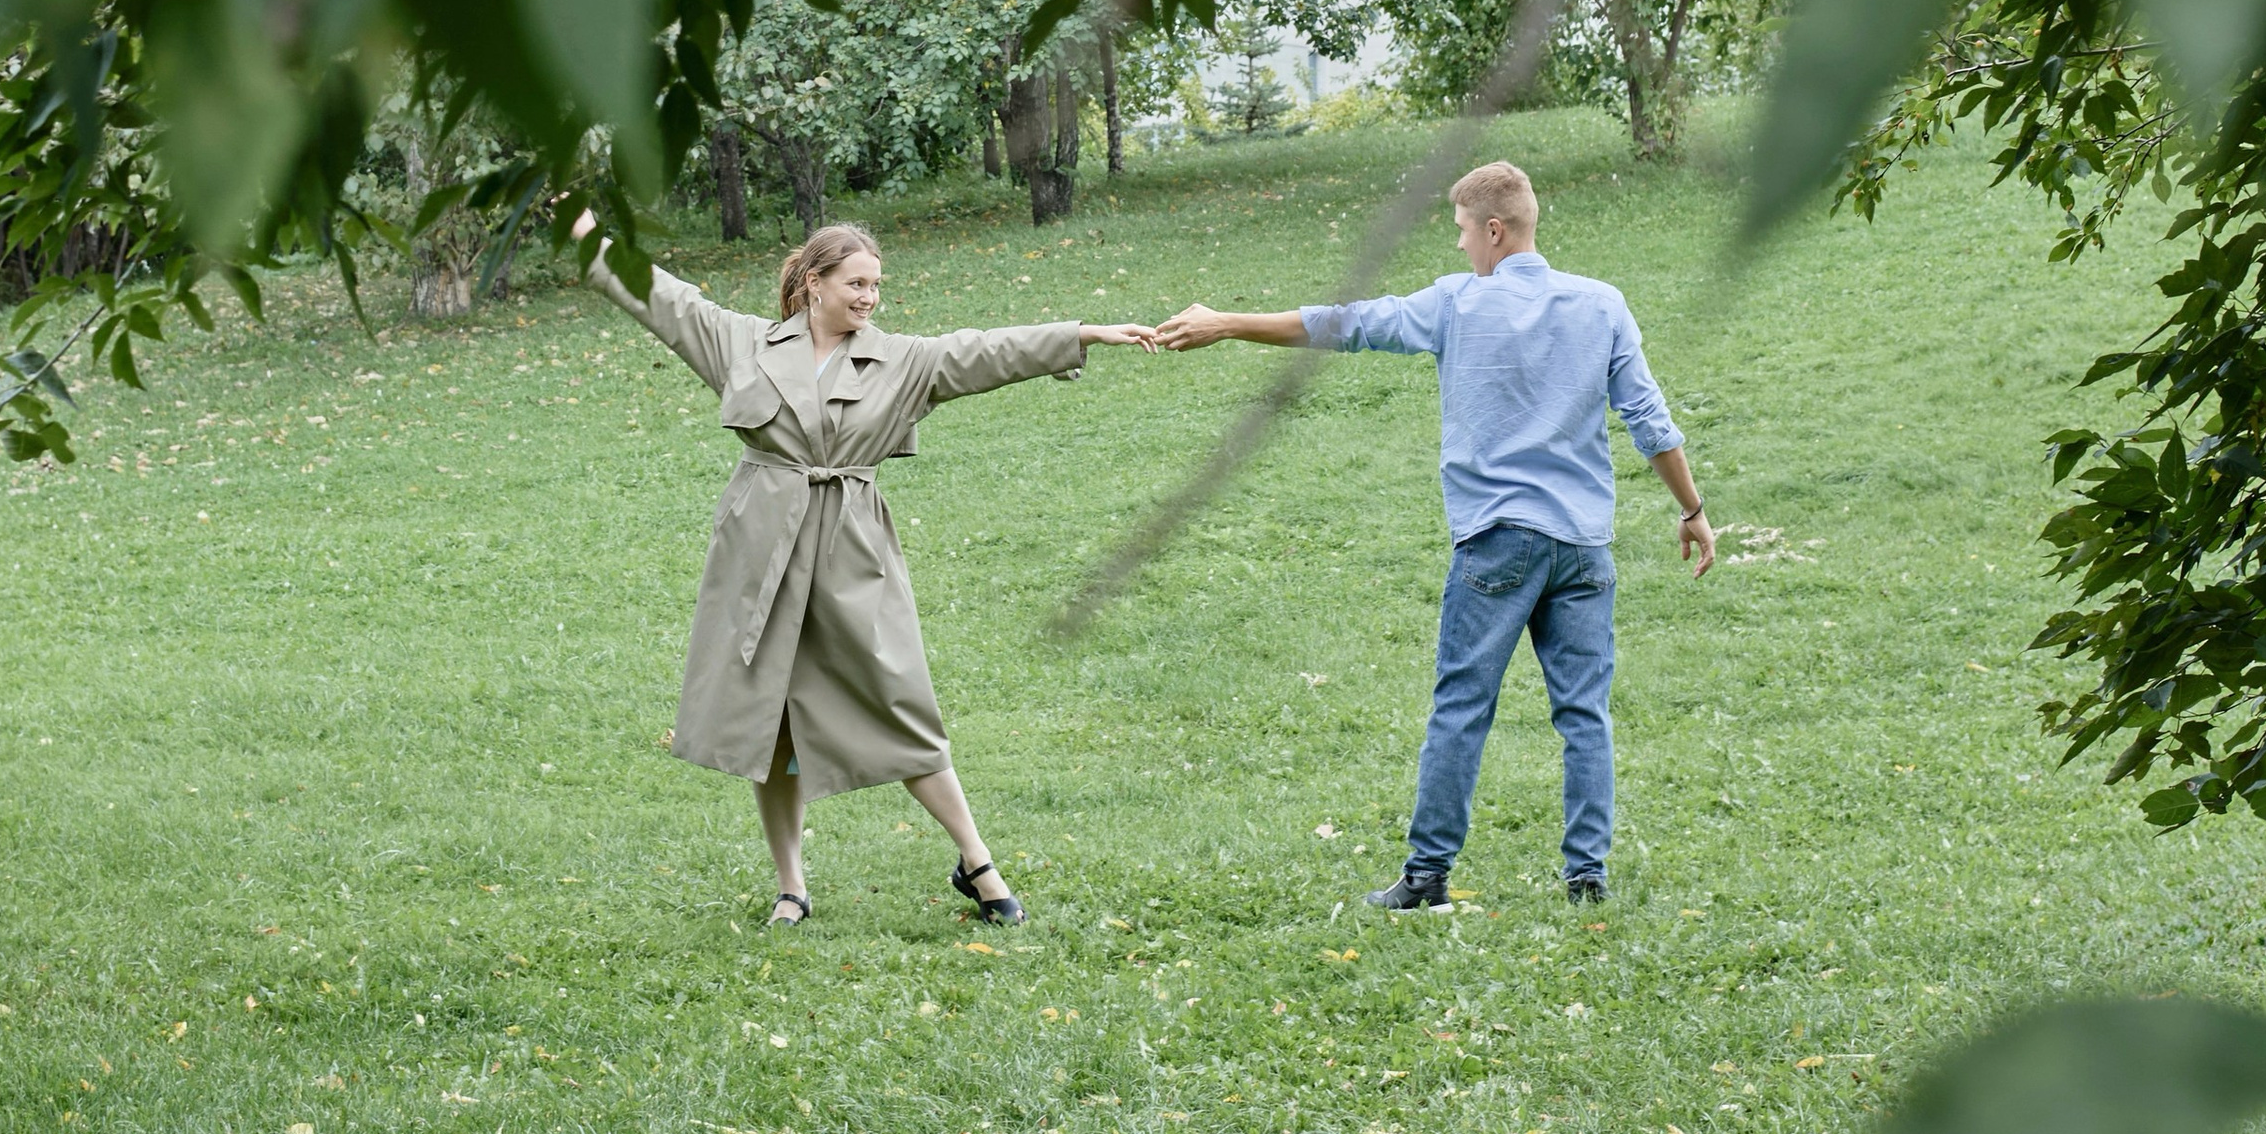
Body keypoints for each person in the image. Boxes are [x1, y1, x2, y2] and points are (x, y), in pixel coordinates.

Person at [1151, 157, 1711, 910]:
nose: (1458, 250)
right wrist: (1691, 510)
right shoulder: (1603, 305)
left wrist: (1229, 324)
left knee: (1461, 708)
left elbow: (1346, 325)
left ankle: (1426, 879)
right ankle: (1587, 878)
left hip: (1497, 543)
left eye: (1460, 233)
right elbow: (1650, 423)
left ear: (1493, 229)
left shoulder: (1457, 305)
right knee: (1585, 714)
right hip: (1583, 546)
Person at [578, 215, 1153, 929]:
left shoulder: (902, 359)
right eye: (857, 283)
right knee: (773, 724)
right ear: (813, 284)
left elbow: (983, 352)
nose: (870, 297)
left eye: (876, 285)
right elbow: (663, 299)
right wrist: (586, 233)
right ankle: (791, 886)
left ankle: (976, 861)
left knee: (899, 700)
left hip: (852, 553)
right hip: (761, 553)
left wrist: (1083, 335)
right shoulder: (744, 343)